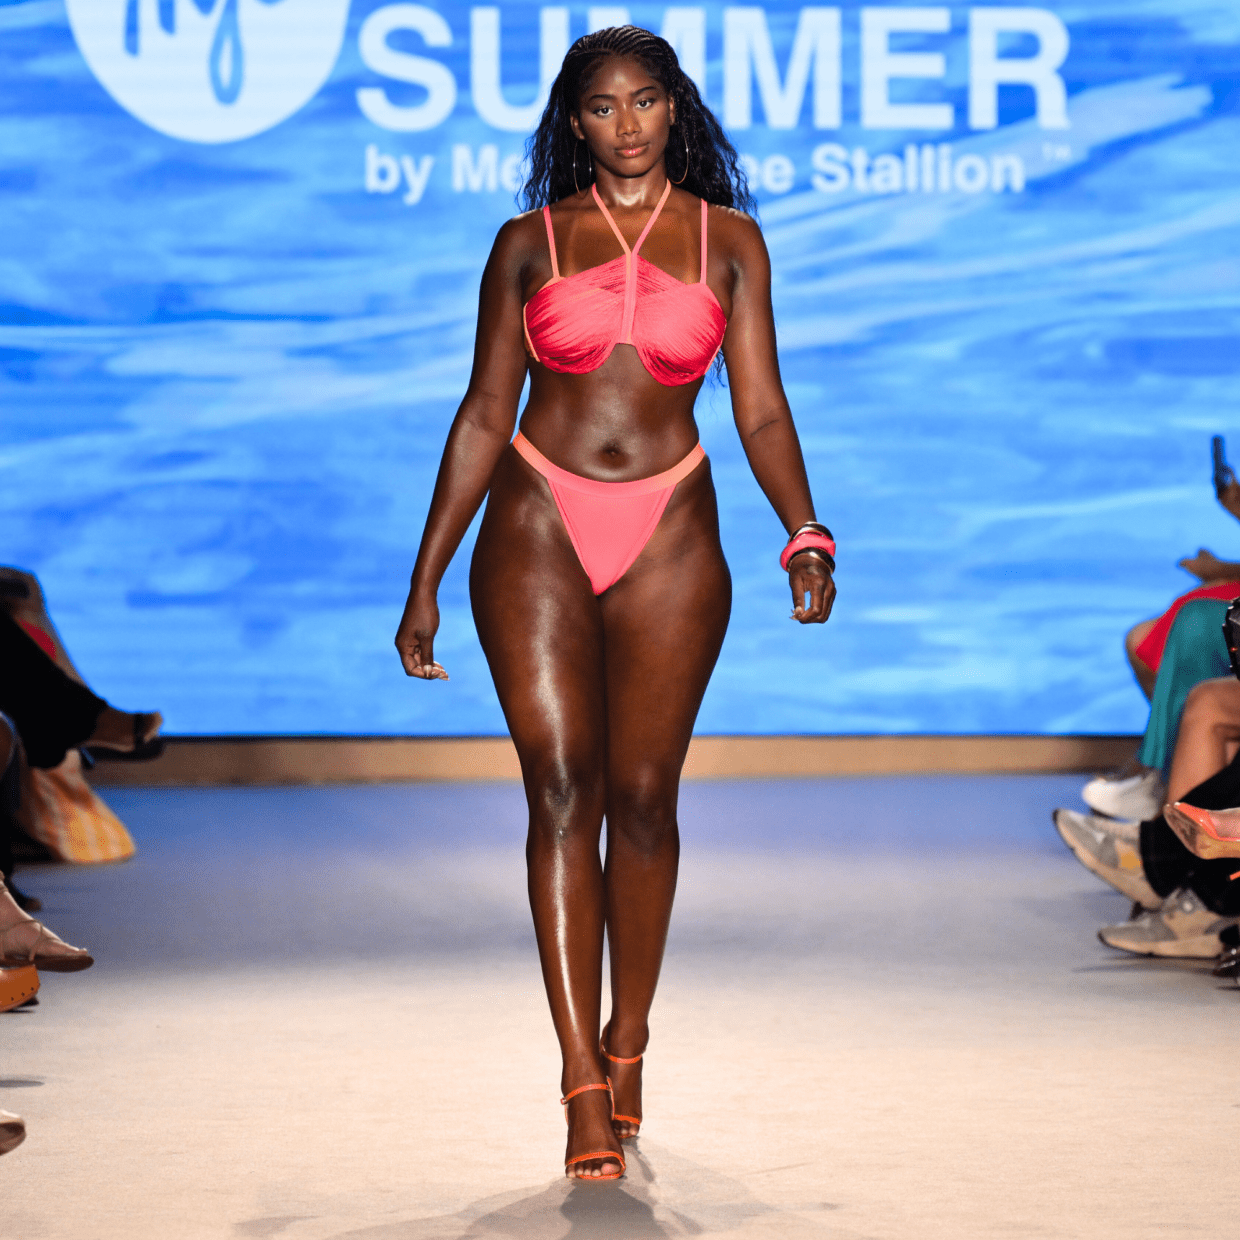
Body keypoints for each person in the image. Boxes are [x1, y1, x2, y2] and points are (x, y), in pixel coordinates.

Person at [394, 26, 834, 1181]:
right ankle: (579, 1080)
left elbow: (761, 407)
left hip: (671, 530)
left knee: (642, 800)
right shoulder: (526, 244)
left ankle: (626, 1040)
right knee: (560, 790)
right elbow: (483, 412)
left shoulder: (730, 241)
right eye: (602, 105)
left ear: (674, 108)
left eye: (645, 100)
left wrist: (804, 529)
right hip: (535, 521)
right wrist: (426, 575)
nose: (626, 123)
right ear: (573, 122)